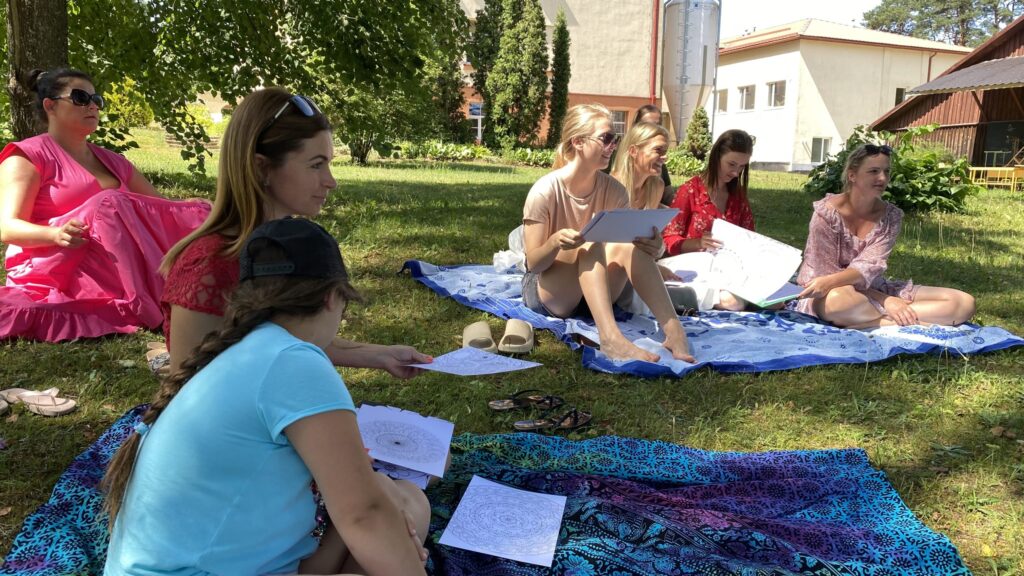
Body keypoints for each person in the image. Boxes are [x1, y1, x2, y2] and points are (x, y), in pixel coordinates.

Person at [103, 218, 430, 575]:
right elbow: (363, 514)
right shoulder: (294, 362)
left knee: (400, 497)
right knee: (392, 511)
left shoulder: (238, 350)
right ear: (331, 298)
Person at [160, 87, 430, 375]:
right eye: (316, 165)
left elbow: (289, 334)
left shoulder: (288, 246)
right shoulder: (207, 267)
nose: (331, 181)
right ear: (261, 168)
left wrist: (381, 355)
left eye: (328, 164)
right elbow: (186, 385)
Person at [0, 68, 210, 341]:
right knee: (109, 202)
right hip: (57, 266)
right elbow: (7, 227)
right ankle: (163, 293)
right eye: (80, 98)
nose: (92, 106)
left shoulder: (114, 161)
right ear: (50, 106)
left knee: (203, 212)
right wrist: (55, 234)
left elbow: (158, 208)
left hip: (113, 262)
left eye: (96, 100)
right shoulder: (27, 156)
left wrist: (196, 208)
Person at [521, 103, 695, 363]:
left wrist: (654, 246)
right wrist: (554, 242)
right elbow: (533, 264)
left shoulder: (614, 190)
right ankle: (611, 339)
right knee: (589, 243)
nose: (613, 146)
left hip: (596, 294)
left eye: (615, 139)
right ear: (578, 142)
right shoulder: (545, 190)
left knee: (628, 245)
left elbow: (626, 249)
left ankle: (674, 332)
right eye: (606, 138)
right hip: (549, 293)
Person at [795, 144, 975, 328]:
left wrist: (886, 298)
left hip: (870, 288)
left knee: (963, 302)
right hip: (825, 292)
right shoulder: (826, 213)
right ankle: (896, 320)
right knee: (838, 301)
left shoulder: (890, 217)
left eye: (886, 172)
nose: (882, 178)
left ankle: (870, 321)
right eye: (873, 171)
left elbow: (868, 267)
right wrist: (886, 300)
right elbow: (826, 279)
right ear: (852, 175)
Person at [660, 129, 755, 311]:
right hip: (695, 270)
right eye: (731, 164)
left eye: (742, 167)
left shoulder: (738, 197)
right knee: (732, 301)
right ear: (716, 157)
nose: (736, 173)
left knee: (774, 300)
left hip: (729, 271)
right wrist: (697, 243)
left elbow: (750, 238)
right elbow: (668, 240)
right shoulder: (690, 191)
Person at [611, 121, 670, 210]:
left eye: (665, 151)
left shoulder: (657, 187)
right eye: (658, 149)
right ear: (633, 151)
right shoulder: (612, 186)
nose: (665, 157)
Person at [632, 104, 672, 201]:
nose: (655, 129)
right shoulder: (614, 183)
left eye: (658, 125)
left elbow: (669, 197)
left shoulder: (658, 182)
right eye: (648, 125)